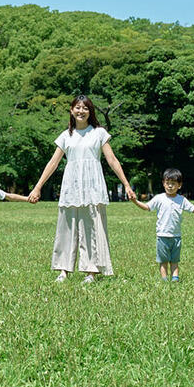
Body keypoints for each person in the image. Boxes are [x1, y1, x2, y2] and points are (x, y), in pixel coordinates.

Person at [28, 95, 136, 283]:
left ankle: (91, 271)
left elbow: (112, 160)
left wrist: (126, 184)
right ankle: (63, 270)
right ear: (71, 111)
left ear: (90, 112)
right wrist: (38, 187)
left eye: (85, 108)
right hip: (71, 186)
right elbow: (53, 163)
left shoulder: (99, 133)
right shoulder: (65, 136)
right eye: (77, 107)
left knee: (92, 229)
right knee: (66, 228)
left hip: (93, 186)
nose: (81, 111)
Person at [129, 168, 194, 281]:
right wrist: (135, 201)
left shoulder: (181, 200)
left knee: (175, 260)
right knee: (163, 261)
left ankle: (175, 279)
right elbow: (147, 207)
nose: (170, 186)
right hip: (162, 236)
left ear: (179, 185)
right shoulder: (159, 198)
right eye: (167, 183)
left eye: (173, 184)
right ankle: (164, 280)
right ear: (163, 183)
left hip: (176, 236)